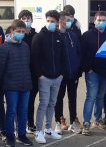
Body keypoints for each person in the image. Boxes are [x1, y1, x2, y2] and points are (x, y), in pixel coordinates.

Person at [31, 10, 64, 144]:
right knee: (43, 103)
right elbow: (34, 58)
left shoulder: (59, 36)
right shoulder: (39, 37)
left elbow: (62, 57)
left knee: (52, 103)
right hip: (44, 78)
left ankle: (48, 129)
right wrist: (40, 75)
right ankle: (38, 130)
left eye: (53, 21)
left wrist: (61, 74)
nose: (50, 23)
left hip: (57, 77)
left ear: (57, 23)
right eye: (48, 20)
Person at [0, 20, 33, 146]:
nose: (20, 34)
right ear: (12, 31)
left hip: (25, 86)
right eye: (18, 31)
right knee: (11, 111)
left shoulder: (25, 46)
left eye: (23, 32)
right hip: (11, 86)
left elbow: (27, 65)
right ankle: (10, 136)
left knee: (23, 111)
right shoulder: (3, 48)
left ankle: (22, 135)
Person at [81, 12, 106, 136]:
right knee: (91, 97)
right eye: (99, 20)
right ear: (94, 21)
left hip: (105, 73)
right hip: (92, 72)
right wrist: (87, 69)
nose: (102, 22)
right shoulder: (87, 35)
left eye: (104, 20)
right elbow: (82, 53)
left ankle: (98, 120)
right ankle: (86, 124)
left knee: (101, 97)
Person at [54, 12, 82, 134]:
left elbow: (78, 53)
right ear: (60, 21)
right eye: (67, 20)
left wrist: (78, 71)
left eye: (71, 19)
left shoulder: (73, 35)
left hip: (73, 74)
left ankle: (73, 123)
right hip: (60, 75)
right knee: (58, 98)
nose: (70, 22)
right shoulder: (55, 36)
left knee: (73, 98)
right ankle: (58, 123)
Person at [17, 10, 38, 134]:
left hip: (34, 74)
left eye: (28, 18)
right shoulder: (18, 35)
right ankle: (20, 125)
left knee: (30, 101)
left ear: (32, 20)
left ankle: (30, 123)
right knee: (19, 102)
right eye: (23, 18)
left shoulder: (37, 35)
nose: (26, 21)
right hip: (20, 74)